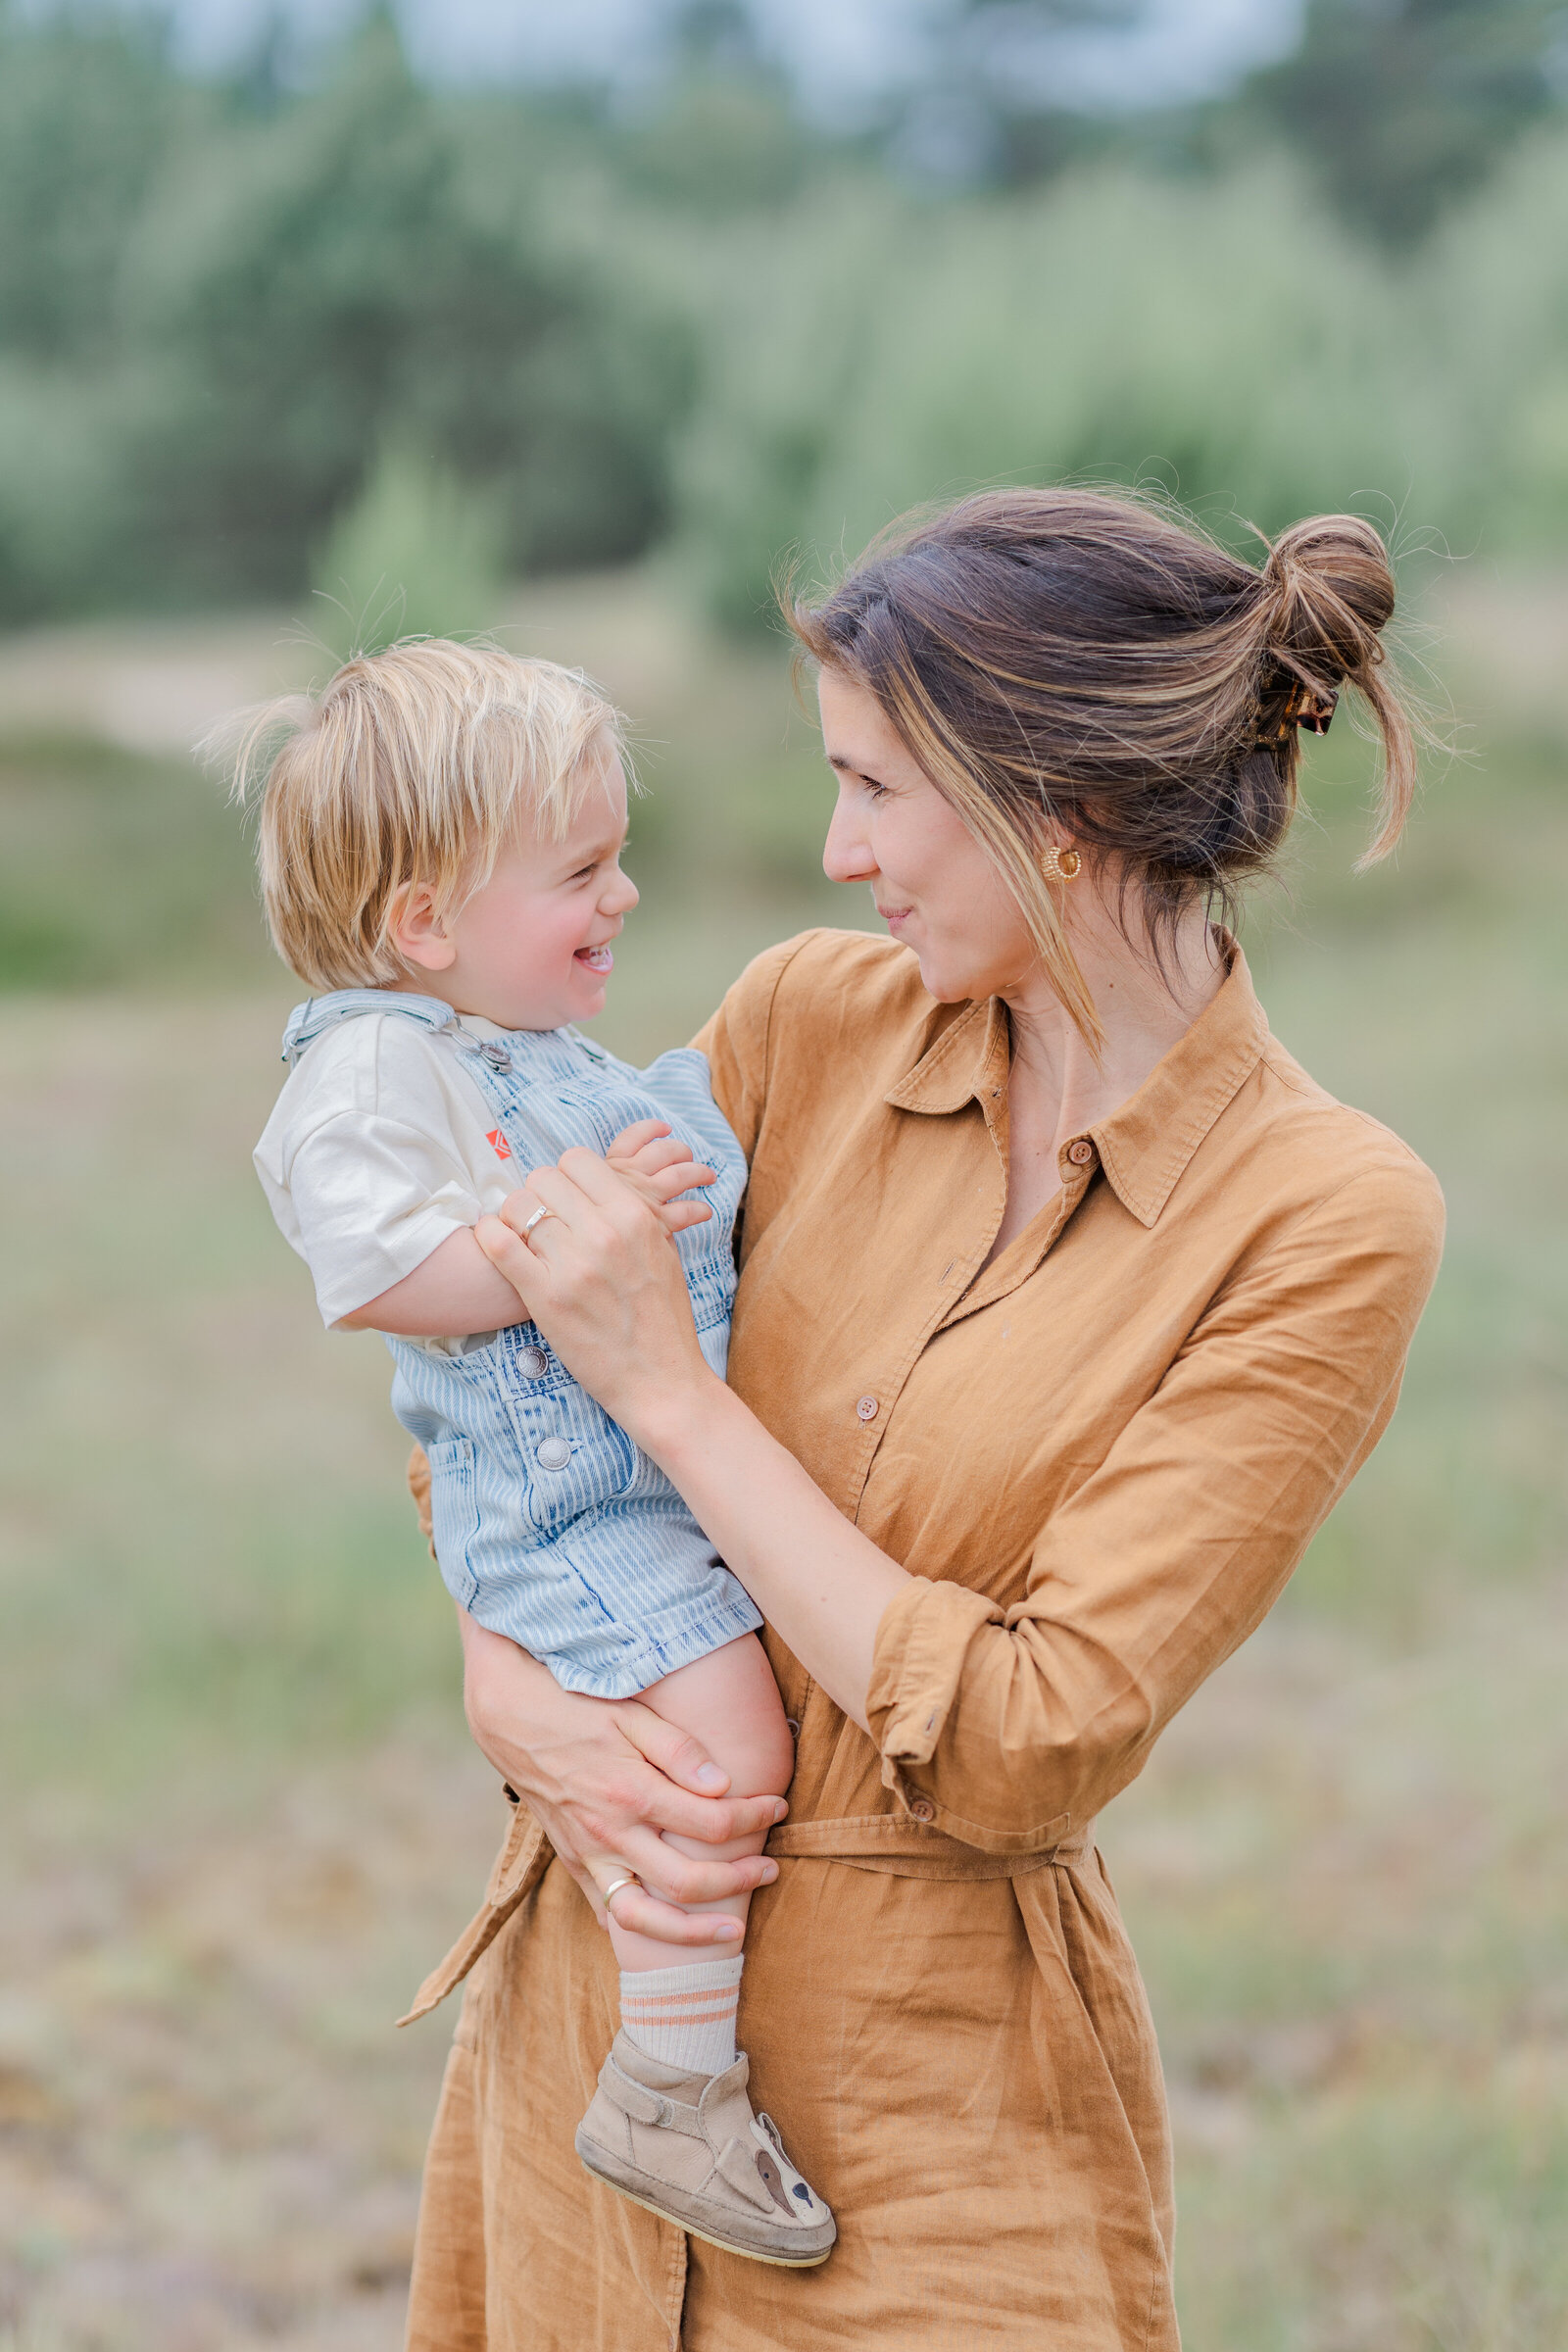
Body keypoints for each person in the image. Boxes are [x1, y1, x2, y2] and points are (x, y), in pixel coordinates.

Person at [400, 491, 1446, 2350]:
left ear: (1052, 797)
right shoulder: (802, 1024)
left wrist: (672, 1390)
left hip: (928, 2124)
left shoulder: (1323, 1215)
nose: (836, 850)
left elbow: (1027, 1742)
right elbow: (494, 1396)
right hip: (602, 2014)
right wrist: (513, 1691)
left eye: (877, 788)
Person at [238, 642, 835, 2265]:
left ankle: (671, 2049)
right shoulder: (373, 1066)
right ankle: (671, 2078)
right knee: (729, 1751)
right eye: (580, 868)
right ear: (423, 922)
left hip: (635, 1472)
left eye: (618, 856)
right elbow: (371, 1277)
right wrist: (580, 1238)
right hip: (556, 1505)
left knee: (723, 1735)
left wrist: (651, 1184)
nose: (624, 894)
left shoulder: (526, 1041)